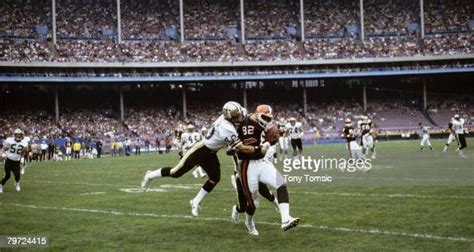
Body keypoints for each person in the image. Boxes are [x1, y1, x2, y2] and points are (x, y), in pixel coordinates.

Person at [141, 101, 271, 217]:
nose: (239, 118)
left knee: (215, 178)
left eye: (239, 114)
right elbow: (242, 148)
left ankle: (195, 201)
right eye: (235, 117)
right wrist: (259, 149)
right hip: (200, 150)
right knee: (176, 173)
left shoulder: (236, 112)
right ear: (229, 117)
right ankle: (150, 175)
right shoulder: (226, 128)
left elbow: (244, 118)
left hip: (211, 152)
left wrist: (252, 117)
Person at [230, 105, 300, 235]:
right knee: (252, 203)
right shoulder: (246, 123)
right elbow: (246, 147)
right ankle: (249, 223)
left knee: (281, 183)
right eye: (265, 117)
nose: (267, 120)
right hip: (247, 165)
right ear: (257, 114)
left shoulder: (267, 125)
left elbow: (270, 139)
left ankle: (285, 219)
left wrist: (272, 139)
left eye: (269, 118)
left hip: (262, 162)